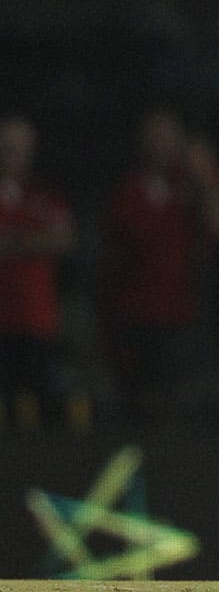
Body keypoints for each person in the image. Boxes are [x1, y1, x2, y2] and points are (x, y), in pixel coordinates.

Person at [98, 109, 219, 433]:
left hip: (182, 315)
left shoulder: (194, 188)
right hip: (131, 315)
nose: (161, 146)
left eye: (168, 138)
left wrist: (206, 175)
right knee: (135, 408)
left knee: (177, 410)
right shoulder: (127, 189)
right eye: (154, 138)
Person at [0, 115, 77, 433]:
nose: (13, 155)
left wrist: (14, 240)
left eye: (20, 148)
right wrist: (34, 240)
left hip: (36, 321)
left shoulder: (45, 195)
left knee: (37, 412)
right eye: (7, 147)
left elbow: (63, 239)